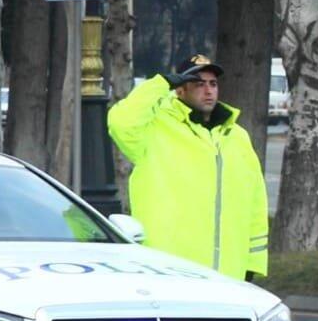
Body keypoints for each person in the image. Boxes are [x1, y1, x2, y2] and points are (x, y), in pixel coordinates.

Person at [107, 53, 268, 280]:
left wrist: (252, 264)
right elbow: (120, 121)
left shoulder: (237, 136)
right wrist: (160, 84)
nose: (208, 90)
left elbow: (255, 201)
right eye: (199, 84)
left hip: (229, 273)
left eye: (213, 84)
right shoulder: (155, 129)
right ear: (180, 90)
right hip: (169, 270)